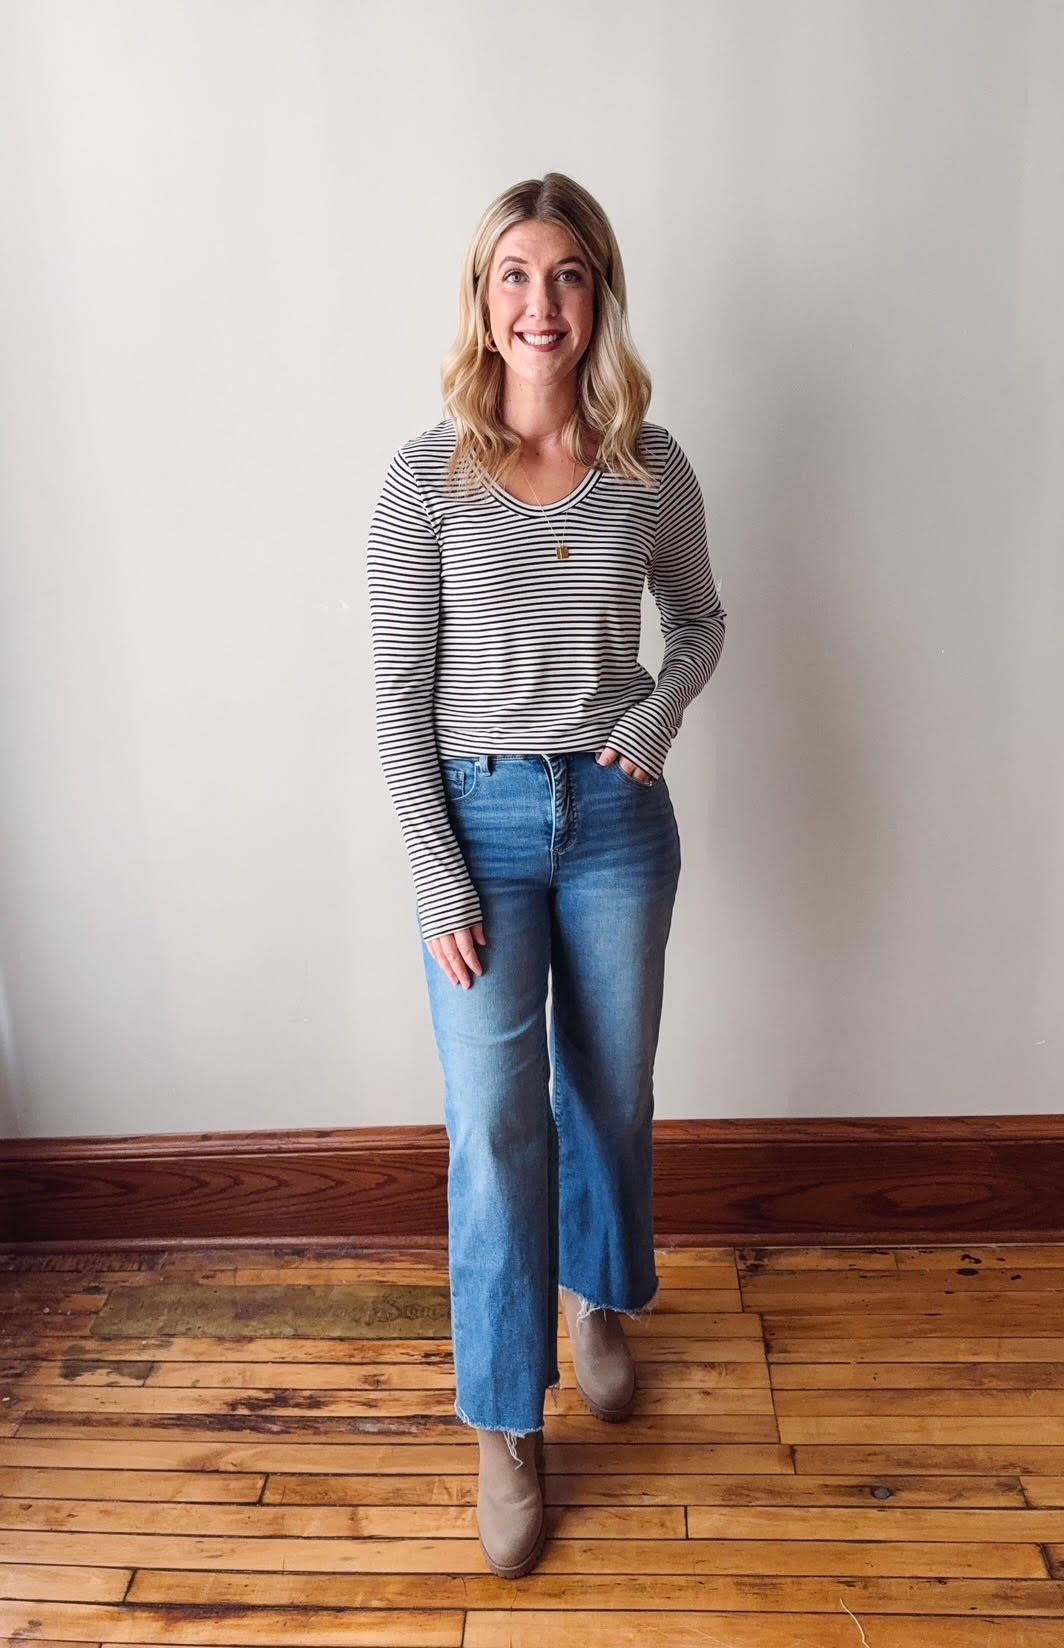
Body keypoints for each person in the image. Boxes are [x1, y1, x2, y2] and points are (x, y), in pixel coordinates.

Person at [366, 172, 726, 1578]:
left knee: (613, 1089)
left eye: (568, 276)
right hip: (482, 832)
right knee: (495, 1128)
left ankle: (600, 1300)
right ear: (482, 299)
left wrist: (651, 722)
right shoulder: (424, 479)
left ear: (599, 297)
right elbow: (398, 692)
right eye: (515, 275)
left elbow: (699, 621)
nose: (541, 304)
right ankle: (506, 1423)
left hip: (621, 827)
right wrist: (437, 877)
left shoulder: (652, 465)